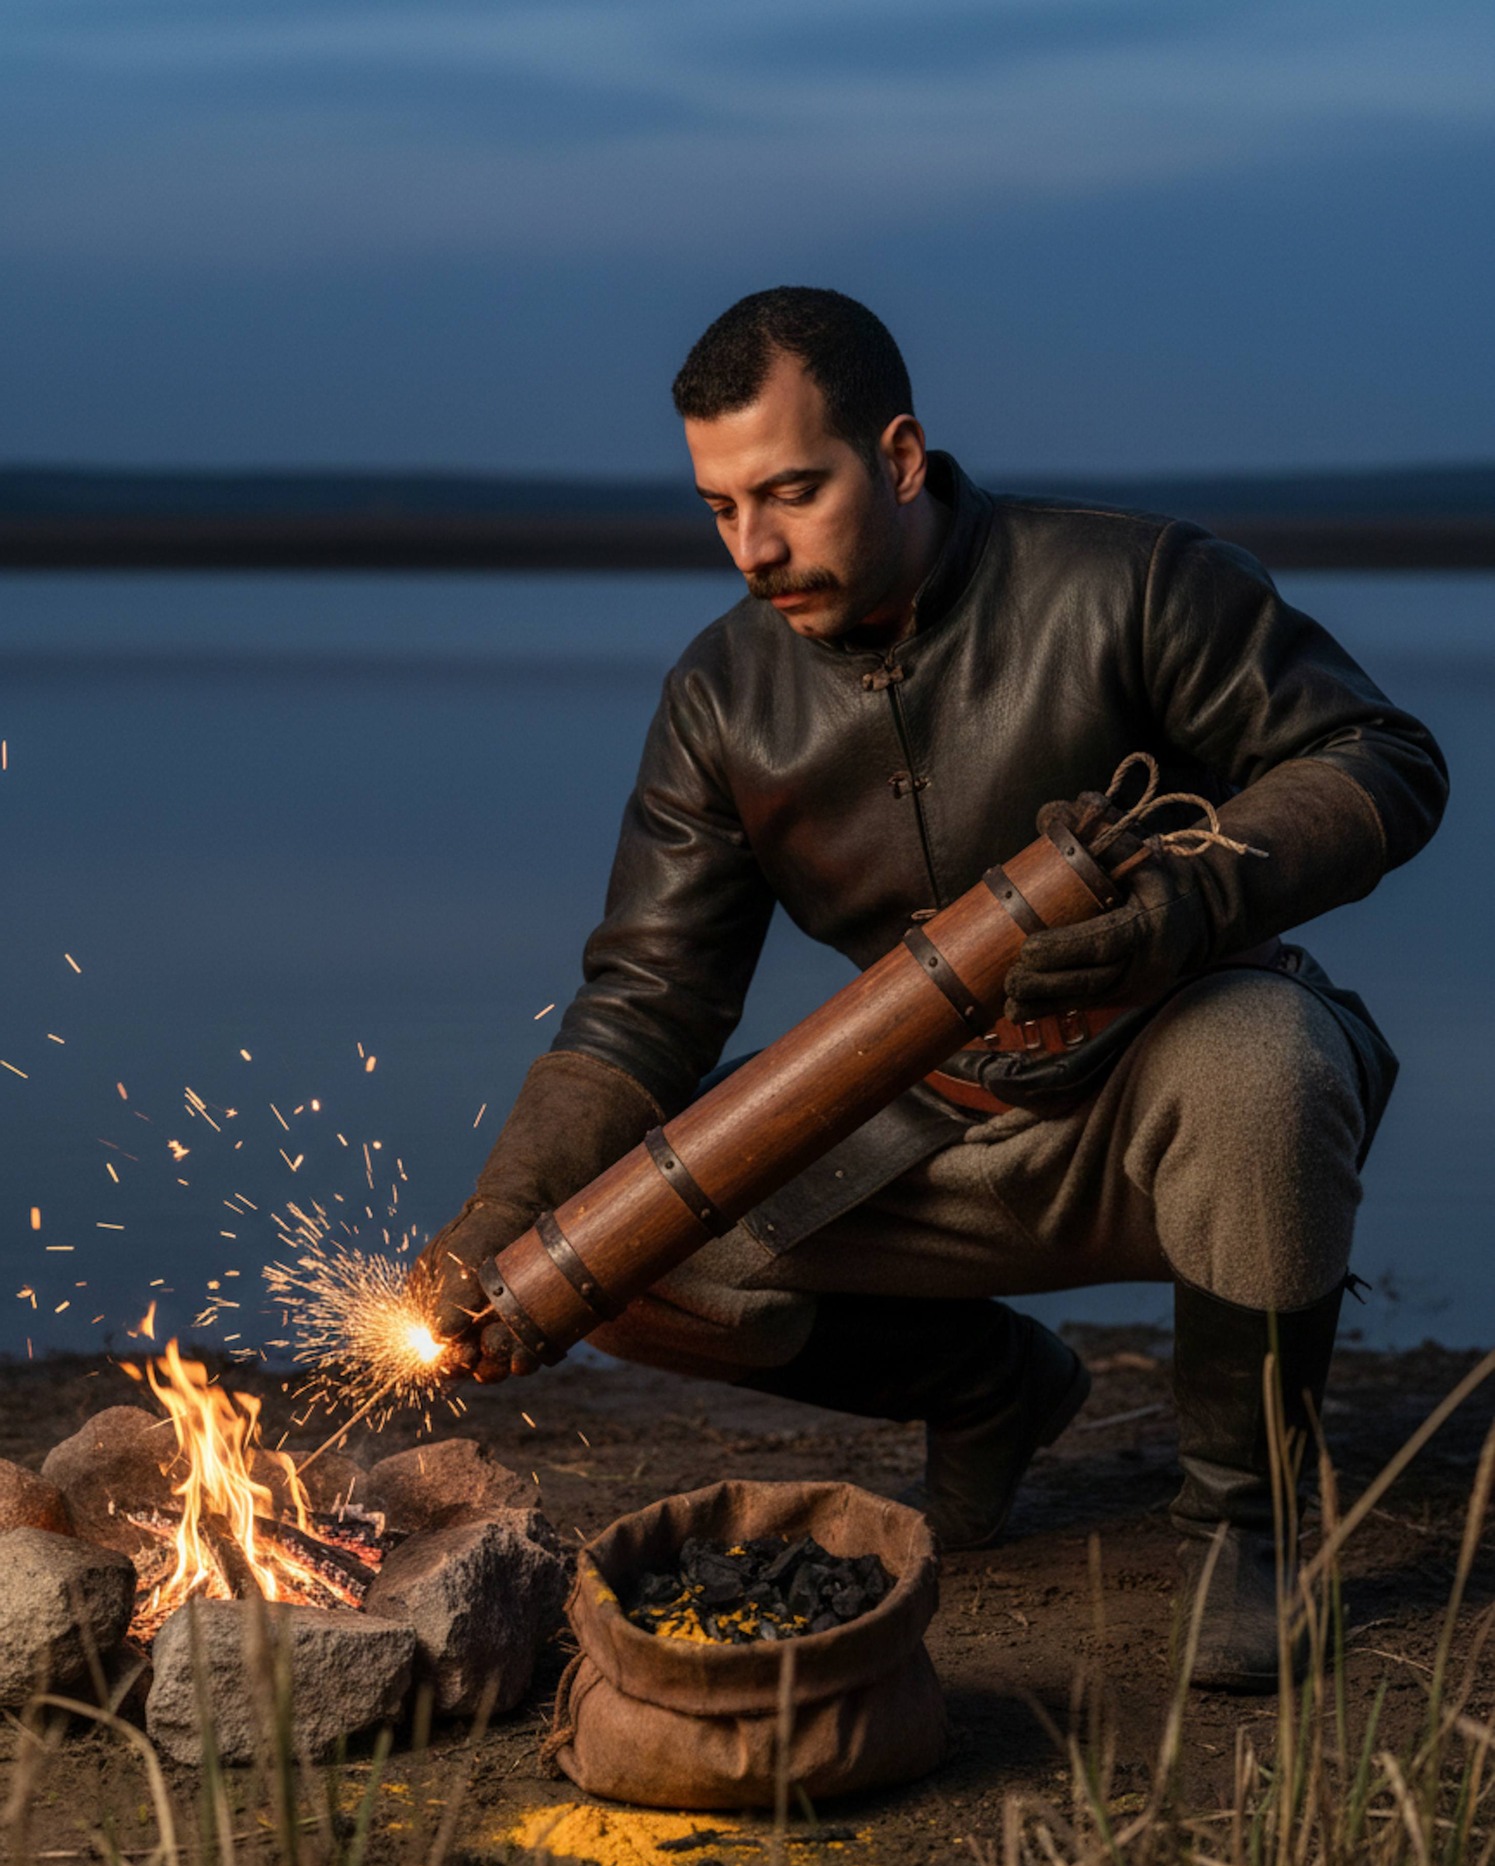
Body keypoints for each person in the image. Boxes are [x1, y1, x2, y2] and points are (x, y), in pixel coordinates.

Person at [416, 287, 1447, 1691]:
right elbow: (648, 1001)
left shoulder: (1135, 581)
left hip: (1172, 1085)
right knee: (607, 1257)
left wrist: (1191, 902)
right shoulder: (719, 696)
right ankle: (993, 1390)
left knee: (1268, 1059)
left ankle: (1249, 1523)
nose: (755, 547)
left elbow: (1387, 758)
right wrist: (499, 1219)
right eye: (720, 506)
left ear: (897, 456)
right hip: (922, 1130)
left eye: (791, 491)